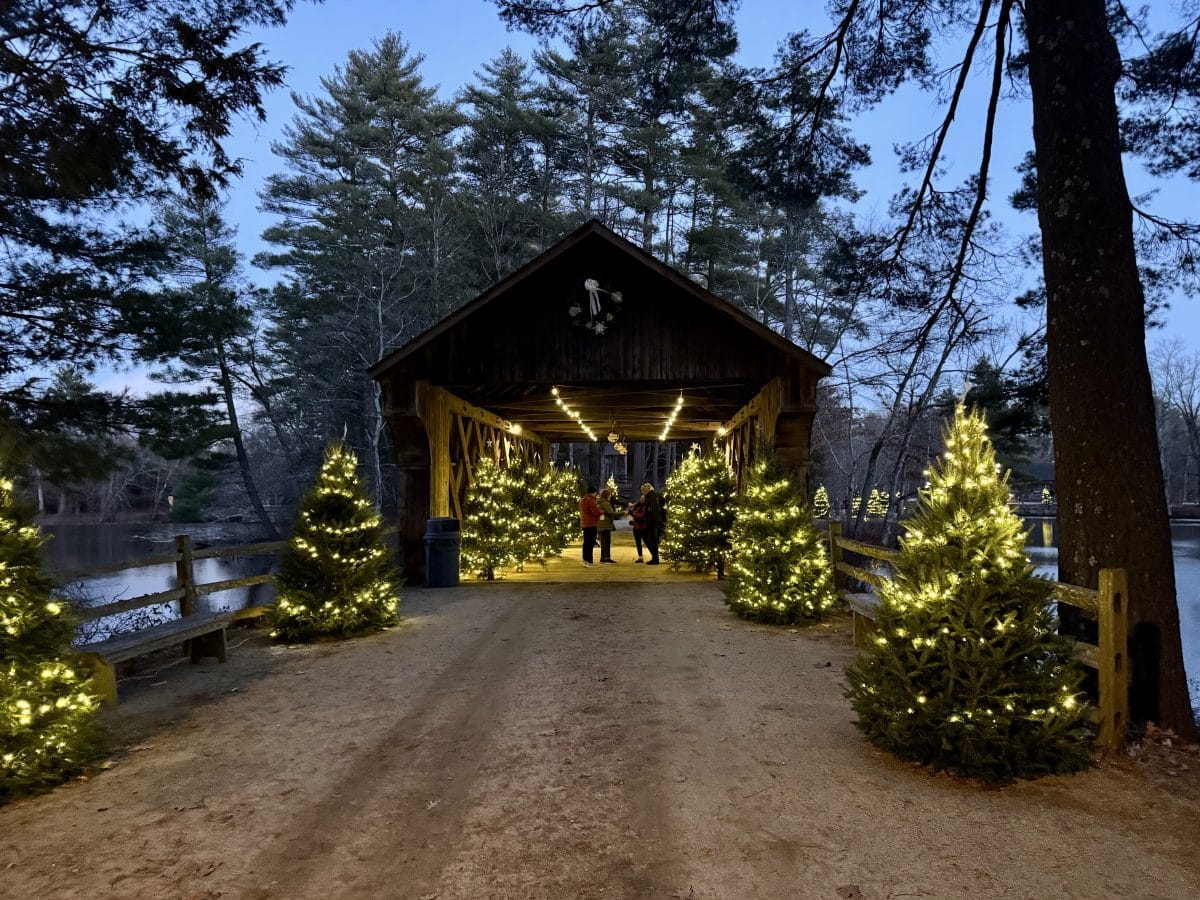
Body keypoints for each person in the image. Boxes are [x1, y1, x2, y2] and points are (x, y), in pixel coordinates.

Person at [640, 482, 664, 565]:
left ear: (646, 491)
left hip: (652, 522)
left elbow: (653, 510)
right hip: (655, 521)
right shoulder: (655, 496)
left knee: (652, 541)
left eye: (643, 492)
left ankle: (655, 559)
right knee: (653, 540)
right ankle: (654, 558)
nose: (642, 493)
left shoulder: (651, 498)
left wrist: (649, 520)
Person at [578, 485, 602, 566]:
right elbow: (595, 512)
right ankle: (589, 559)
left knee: (586, 542)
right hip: (591, 523)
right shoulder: (590, 500)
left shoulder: (583, 499)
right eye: (595, 493)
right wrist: (602, 511)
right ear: (593, 493)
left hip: (584, 523)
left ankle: (585, 558)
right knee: (591, 542)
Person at [597, 488, 619, 564]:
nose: (610, 496)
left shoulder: (599, 502)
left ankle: (603, 558)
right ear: (607, 495)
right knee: (606, 542)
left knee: (603, 542)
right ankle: (607, 558)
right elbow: (611, 513)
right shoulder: (605, 503)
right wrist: (623, 513)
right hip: (605, 524)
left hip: (600, 524)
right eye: (610, 495)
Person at [628, 495, 647, 562]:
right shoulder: (637, 505)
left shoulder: (645, 506)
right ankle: (640, 557)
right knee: (638, 542)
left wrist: (633, 514)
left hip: (643, 527)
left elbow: (642, 516)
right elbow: (633, 513)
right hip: (636, 527)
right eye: (641, 498)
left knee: (647, 542)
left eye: (643, 498)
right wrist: (631, 518)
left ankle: (654, 556)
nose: (642, 499)